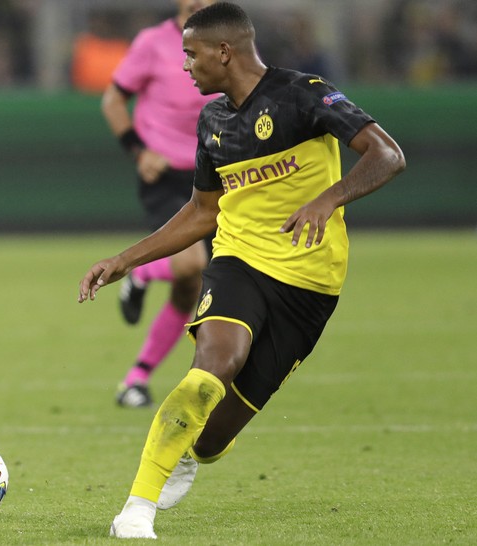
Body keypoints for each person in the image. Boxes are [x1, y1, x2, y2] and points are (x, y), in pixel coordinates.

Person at [78, 2, 405, 539]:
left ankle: (187, 453)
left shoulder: (304, 93)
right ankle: (137, 509)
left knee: (208, 442)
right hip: (239, 262)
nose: (185, 66)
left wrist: (329, 198)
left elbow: (387, 154)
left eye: (192, 54)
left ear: (224, 52)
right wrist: (124, 260)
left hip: (311, 286)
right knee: (214, 363)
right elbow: (202, 212)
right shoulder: (213, 122)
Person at [101, 0, 215, 409]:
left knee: (191, 289)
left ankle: (136, 379)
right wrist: (139, 151)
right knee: (189, 264)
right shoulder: (153, 42)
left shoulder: (226, 43)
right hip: (166, 176)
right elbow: (113, 100)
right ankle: (140, 270)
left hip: (217, 177)